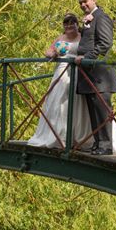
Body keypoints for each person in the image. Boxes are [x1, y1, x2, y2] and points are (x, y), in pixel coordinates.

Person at [27, 14, 89, 148]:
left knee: (76, 102)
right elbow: (49, 50)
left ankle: (76, 137)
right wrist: (51, 53)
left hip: (77, 71)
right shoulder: (60, 38)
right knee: (57, 101)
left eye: (72, 23)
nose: (69, 26)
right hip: (61, 72)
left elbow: (87, 50)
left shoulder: (82, 37)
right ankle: (58, 135)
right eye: (66, 23)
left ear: (77, 24)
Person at [75, 0, 116, 155]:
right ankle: (98, 143)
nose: (83, 5)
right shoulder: (90, 20)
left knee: (102, 111)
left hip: (100, 75)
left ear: (94, 0)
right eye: (80, 3)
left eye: (85, 1)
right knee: (93, 111)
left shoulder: (101, 17)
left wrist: (86, 58)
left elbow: (105, 44)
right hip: (89, 75)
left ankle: (106, 145)